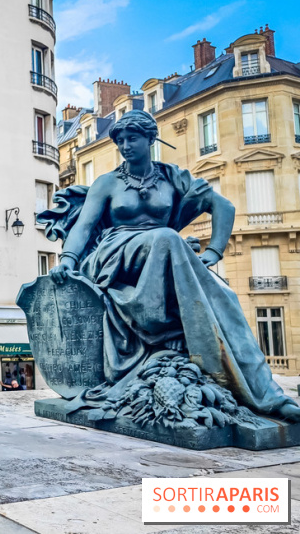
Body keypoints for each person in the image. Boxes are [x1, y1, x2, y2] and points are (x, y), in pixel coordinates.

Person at [43, 109, 300, 421]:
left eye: (132, 138)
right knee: (167, 238)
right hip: (115, 256)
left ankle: (266, 395)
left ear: (151, 139)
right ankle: (157, 322)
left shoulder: (173, 179)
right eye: (120, 140)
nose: (125, 145)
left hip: (164, 253)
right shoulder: (107, 183)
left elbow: (224, 206)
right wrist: (67, 262)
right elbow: (84, 227)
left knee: (225, 295)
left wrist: (214, 253)